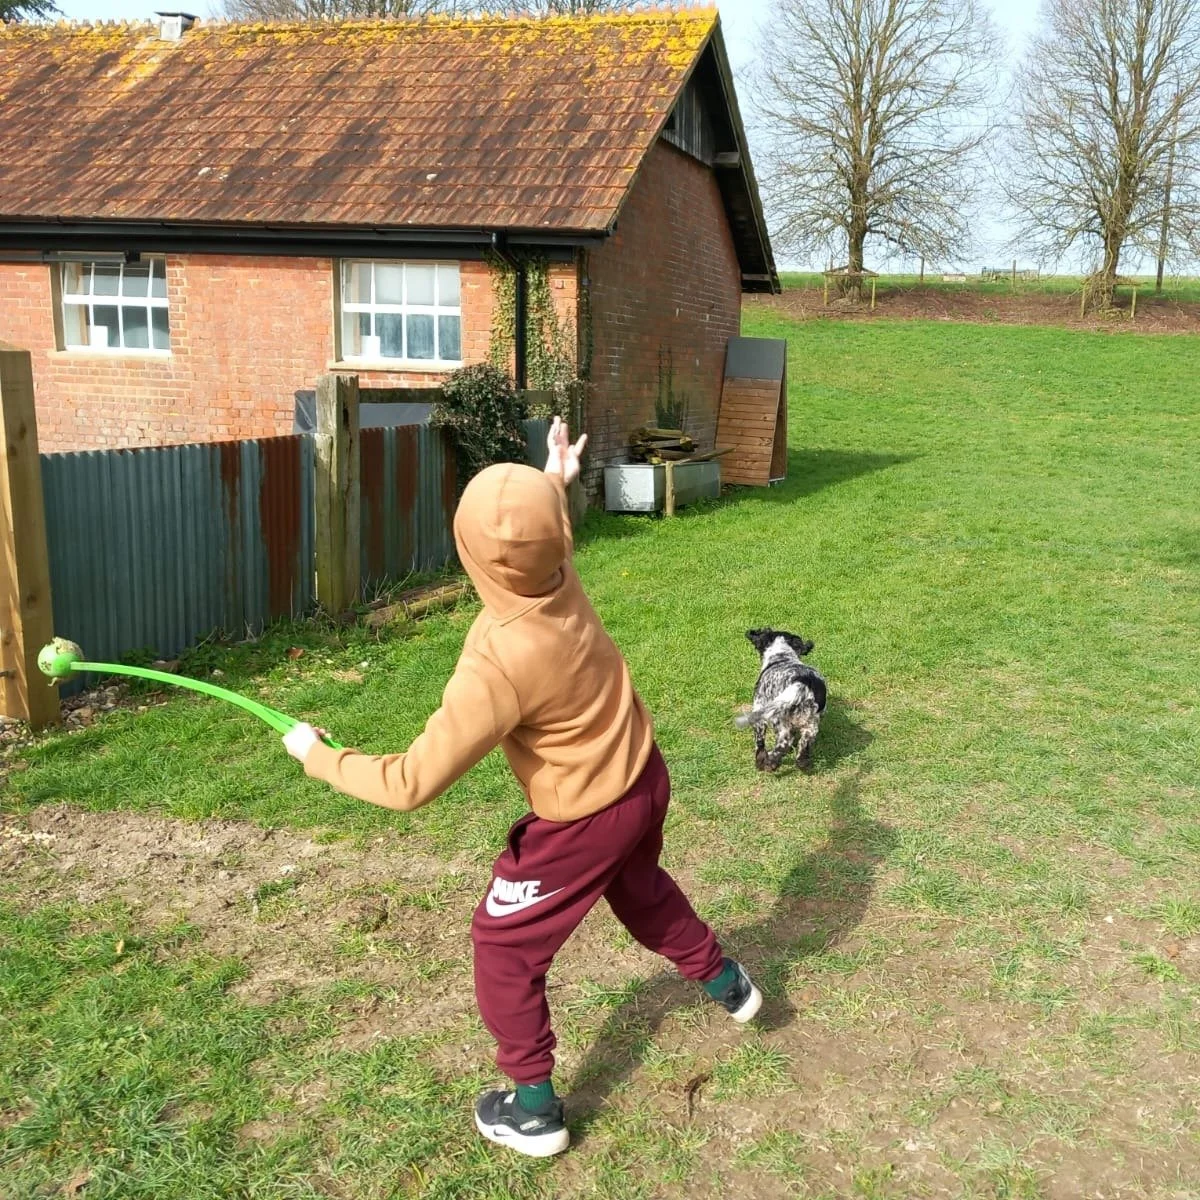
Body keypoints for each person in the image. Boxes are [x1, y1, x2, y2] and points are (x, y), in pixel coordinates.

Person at [283, 418, 761, 1158]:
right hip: (642, 776)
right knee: (640, 890)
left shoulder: (499, 662)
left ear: (468, 552)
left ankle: (534, 1111)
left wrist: (319, 755)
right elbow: (542, 533)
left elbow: (410, 782)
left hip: (586, 819)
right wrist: (554, 479)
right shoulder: (562, 578)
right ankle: (727, 982)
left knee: (503, 947)